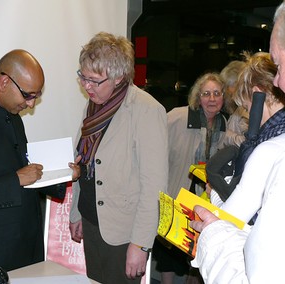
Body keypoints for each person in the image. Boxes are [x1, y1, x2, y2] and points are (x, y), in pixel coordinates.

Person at [190, 0, 285, 282]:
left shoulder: (281, 152)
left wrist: (212, 233)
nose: (278, 82)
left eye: (279, 65)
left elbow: (261, 274)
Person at [0, 49, 79, 280]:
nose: (31, 105)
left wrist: (64, 175)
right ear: (4, 82)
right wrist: (16, 180)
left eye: (36, 96)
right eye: (28, 95)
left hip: (28, 244)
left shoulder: (11, 114)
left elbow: (24, 171)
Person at [68, 32, 168, 284]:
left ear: (119, 77)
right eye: (83, 77)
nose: (86, 86)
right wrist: (77, 213)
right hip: (92, 221)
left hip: (123, 233)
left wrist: (140, 244)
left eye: (94, 80)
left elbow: (154, 188)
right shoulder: (93, 106)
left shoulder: (146, 110)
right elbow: (84, 162)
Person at [207, 52, 285, 218]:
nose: (249, 114)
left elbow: (233, 217)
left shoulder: (269, 146)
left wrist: (215, 193)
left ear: (257, 94)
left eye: (246, 106)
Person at [153, 72, 227, 284]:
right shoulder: (178, 117)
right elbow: (156, 148)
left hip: (205, 197)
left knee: (196, 248)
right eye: (206, 93)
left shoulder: (226, 125)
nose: (211, 99)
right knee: (168, 248)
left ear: (223, 97)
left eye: (216, 93)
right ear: (197, 96)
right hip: (177, 189)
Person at [218, 60, 248, 149]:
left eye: (228, 85)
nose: (226, 91)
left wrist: (224, 135)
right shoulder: (239, 107)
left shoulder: (246, 109)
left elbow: (249, 141)